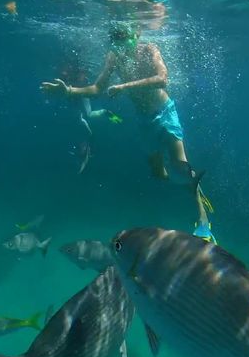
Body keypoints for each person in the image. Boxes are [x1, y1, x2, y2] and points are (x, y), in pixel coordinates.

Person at [40, 23, 216, 243]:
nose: (124, 45)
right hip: (144, 121)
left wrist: (124, 87)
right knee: (158, 174)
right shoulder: (114, 56)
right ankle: (186, 190)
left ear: (137, 35)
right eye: (117, 40)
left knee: (181, 167)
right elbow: (97, 88)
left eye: (127, 39)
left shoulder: (149, 49)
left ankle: (203, 222)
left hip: (165, 112)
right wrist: (69, 91)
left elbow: (162, 79)